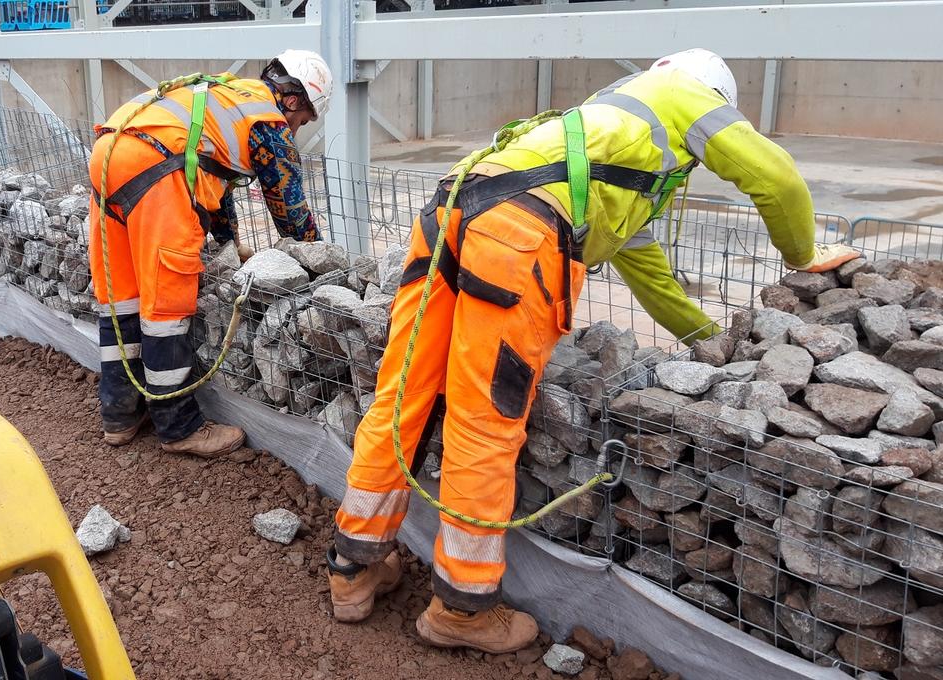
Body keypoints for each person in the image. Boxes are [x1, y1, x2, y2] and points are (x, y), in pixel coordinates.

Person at [324, 48, 861, 652]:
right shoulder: (685, 95)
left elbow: (650, 275)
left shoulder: (597, 146)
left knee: (403, 397)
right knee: (484, 425)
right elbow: (777, 176)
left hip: (449, 212)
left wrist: (708, 343)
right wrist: (802, 256)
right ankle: (461, 609)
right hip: (516, 237)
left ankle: (354, 568)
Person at [87, 49, 334, 458]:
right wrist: (317, 259)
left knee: (121, 296)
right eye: (303, 120)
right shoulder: (268, 121)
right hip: (156, 168)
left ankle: (120, 414)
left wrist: (228, 240)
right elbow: (290, 211)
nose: (297, 128)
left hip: (109, 154)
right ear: (293, 100)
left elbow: (212, 176)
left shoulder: (228, 94)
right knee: (165, 307)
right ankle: (178, 426)